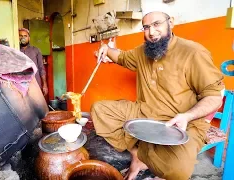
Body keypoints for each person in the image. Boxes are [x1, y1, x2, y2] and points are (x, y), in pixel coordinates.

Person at [92, 2, 225, 180]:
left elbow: (214, 96)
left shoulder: (193, 53)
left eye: (156, 24)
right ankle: (137, 155)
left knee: (178, 169)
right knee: (100, 110)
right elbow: (122, 57)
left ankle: (146, 157)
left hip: (182, 119)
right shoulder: (143, 52)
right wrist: (107, 49)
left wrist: (187, 116)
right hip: (146, 111)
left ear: (171, 23)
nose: (151, 32)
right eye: (146, 27)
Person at [19, 28, 48, 96]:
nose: (23, 38)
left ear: (29, 38)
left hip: (36, 83)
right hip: (20, 84)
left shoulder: (36, 50)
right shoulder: (15, 50)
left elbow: (41, 68)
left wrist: (44, 84)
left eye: (25, 36)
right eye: (21, 36)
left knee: (36, 104)